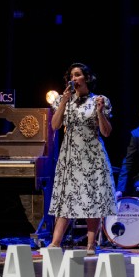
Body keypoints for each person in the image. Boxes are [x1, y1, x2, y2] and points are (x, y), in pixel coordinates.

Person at [47, 62, 116, 254]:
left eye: (77, 75)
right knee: (66, 198)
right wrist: (63, 101)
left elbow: (106, 132)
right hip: (70, 157)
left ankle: (91, 244)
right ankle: (55, 243)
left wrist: (100, 113)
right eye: (71, 76)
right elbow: (55, 126)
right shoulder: (63, 100)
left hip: (92, 156)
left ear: (87, 78)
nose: (73, 79)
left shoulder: (99, 100)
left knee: (92, 198)